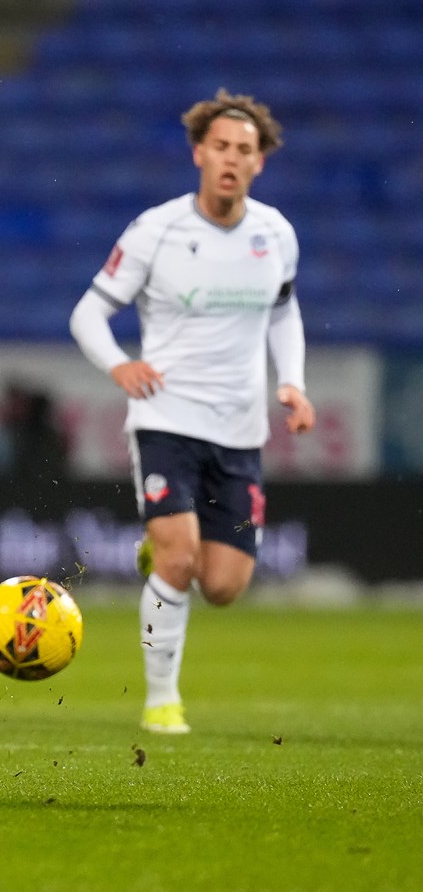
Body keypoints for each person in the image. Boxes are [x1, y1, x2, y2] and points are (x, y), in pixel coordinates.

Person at [68, 89, 316, 735]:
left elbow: (284, 311)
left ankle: (157, 552)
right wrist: (119, 364)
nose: (231, 159)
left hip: (239, 429)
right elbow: (87, 312)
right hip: (165, 418)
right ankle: (160, 700)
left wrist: (290, 382)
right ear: (198, 153)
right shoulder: (157, 230)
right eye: (221, 147)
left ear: (259, 162)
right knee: (178, 561)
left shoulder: (275, 234)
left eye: (245, 150)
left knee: (224, 585)